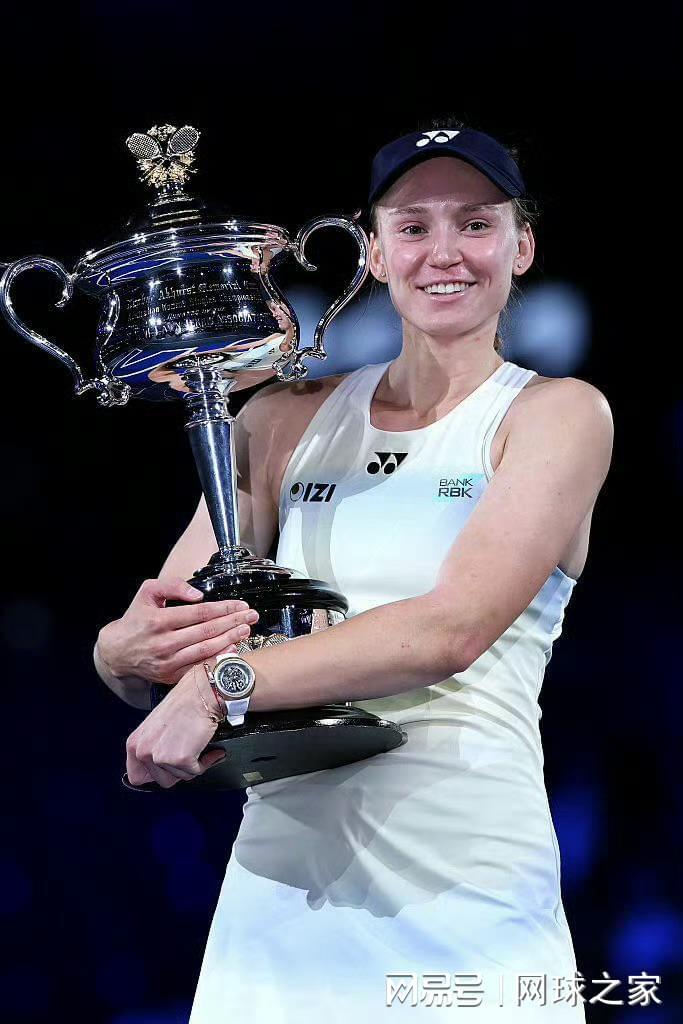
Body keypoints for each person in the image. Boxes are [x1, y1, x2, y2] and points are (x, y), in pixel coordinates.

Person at [94, 120, 613, 1021]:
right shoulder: (281, 419)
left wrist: (224, 684)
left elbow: (448, 630)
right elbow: (174, 638)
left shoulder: (556, 415)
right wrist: (118, 652)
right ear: (371, 252)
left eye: (475, 223)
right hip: (277, 913)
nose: (443, 252)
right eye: (412, 227)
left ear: (521, 245)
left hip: (466, 905)